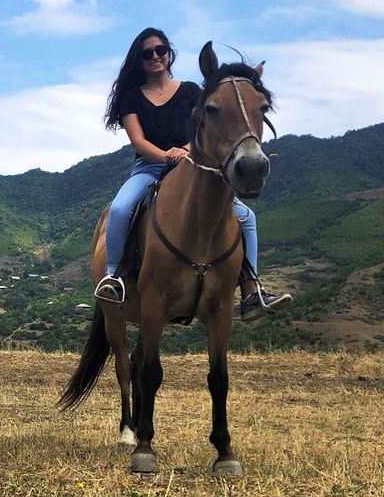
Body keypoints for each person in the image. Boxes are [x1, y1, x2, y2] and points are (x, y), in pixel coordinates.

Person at [93, 28, 291, 322]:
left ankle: (251, 289)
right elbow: (138, 141)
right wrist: (166, 155)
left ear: (169, 53)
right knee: (121, 208)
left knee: (247, 217)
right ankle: (114, 278)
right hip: (149, 168)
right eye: (147, 53)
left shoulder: (190, 92)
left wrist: (184, 150)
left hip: (191, 166)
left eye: (160, 50)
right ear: (139, 60)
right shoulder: (131, 98)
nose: (155, 57)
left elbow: (203, 130)